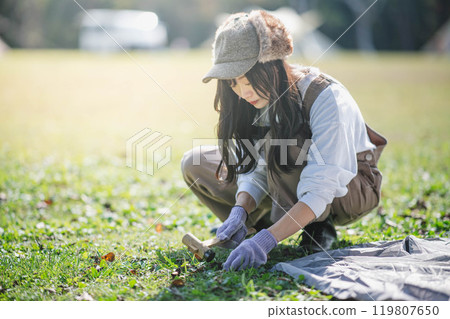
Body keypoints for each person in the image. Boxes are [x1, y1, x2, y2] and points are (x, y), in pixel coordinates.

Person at [181, 10, 387, 271]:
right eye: (233, 82)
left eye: (248, 79)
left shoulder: (325, 97)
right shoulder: (257, 97)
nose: (243, 93)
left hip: (350, 189)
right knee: (196, 163)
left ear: (273, 65)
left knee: (285, 150)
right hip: (288, 180)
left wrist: (265, 241)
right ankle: (261, 225)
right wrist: (241, 210)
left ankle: (315, 227)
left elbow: (321, 186)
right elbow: (256, 167)